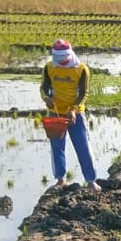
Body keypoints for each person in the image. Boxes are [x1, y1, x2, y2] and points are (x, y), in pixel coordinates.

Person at [40, 40, 98, 187]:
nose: (61, 62)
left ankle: (91, 180)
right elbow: (44, 87)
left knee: (83, 145)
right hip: (56, 113)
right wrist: (46, 98)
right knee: (56, 146)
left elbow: (84, 93)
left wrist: (74, 109)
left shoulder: (81, 69)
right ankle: (60, 179)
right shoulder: (49, 67)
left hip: (75, 114)